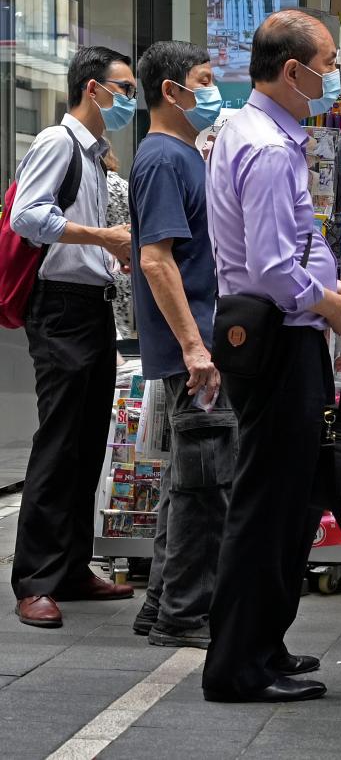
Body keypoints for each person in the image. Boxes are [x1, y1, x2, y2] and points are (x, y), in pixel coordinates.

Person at [203, 9, 341, 703]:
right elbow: (273, 268)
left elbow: (278, 256)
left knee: (291, 498)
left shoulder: (253, 132)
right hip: (277, 337)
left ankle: (264, 645)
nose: (336, 77)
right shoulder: (270, 148)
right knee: (269, 503)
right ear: (294, 70)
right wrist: (336, 309)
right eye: (330, 65)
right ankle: (238, 667)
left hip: (277, 327)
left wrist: (330, 289)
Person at [9, 46, 137, 628]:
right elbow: (27, 217)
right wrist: (102, 238)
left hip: (90, 305)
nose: (130, 100)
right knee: (60, 440)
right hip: (58, 308)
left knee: (87, 440)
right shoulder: (56, 143)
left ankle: (71, 567)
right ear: (93, 88)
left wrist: (108, 252)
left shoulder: (92, 154)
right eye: (124, 89)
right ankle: (35, 578)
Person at [125, 41, 235, 650]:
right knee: (203, 485)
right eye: (204, 79)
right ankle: (184, 617)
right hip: (195, 354)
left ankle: (161, 606)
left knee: (187, 481)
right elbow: (155, 260)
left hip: (200, 345)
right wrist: (196, 349)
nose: (214, 90)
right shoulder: (164, 159)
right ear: (172, 91)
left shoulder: (183, 153)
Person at [101, 146, 134, 339]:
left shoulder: (98, 184)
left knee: (106, 322)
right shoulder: (125, 185)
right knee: (121, 319)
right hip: (124, 263)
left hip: (102, 259)